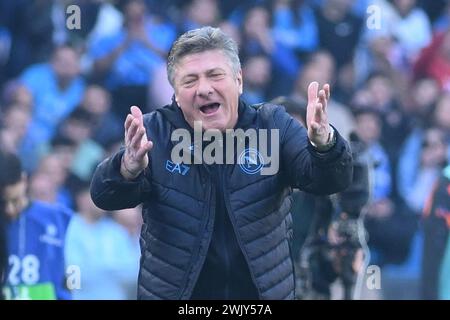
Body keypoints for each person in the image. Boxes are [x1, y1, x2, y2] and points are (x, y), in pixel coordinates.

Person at [90, 26, 353, 300]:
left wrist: (325, 145)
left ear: (239, 80)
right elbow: (104, 196)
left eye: (215, 75)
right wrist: (126, 169)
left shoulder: (272, 125)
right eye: (190, 81)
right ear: (176, 94)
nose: (204, 89)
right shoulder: (155, 132)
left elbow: (329, 181)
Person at [0, 150, 72, 300]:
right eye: (2, 203)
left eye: (15, 200)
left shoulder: (59, 217)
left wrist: (72, 292)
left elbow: (74, 267)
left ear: (24, 180)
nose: (9, 209)